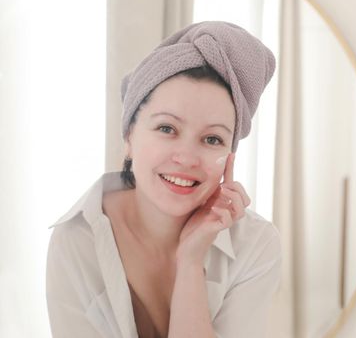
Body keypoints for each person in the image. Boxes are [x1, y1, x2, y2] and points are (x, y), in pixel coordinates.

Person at [46, 21, 281, 338]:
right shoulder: (77, 237)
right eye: (167, 129)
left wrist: (190, 262)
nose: (186, 158)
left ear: (229, 155)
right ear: (129, 135)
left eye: (212, 139)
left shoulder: (255, 244)